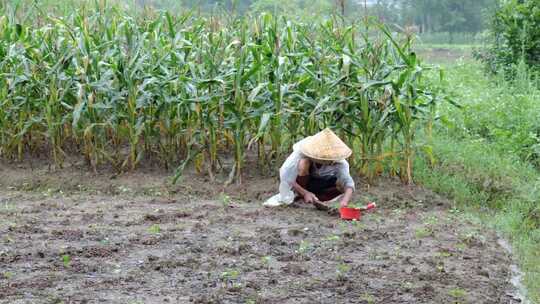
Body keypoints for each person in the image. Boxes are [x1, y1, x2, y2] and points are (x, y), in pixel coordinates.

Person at [264, 128, 355, 208]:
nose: (329, 162)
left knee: (341, 183)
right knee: (303, 163)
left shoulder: (340, 163)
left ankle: (318, 200)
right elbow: (286, 176)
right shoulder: (301, 154)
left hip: (322, 184)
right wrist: (304, 193)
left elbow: (349, 184)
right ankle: (300, 196)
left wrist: (344, 202)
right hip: (302, 182)